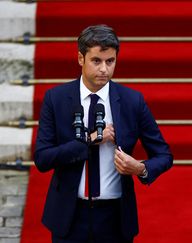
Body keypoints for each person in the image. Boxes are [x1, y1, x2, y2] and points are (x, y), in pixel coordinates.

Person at [34, 24, 173, 243]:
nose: (104, 70)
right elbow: (42, 159)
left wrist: (140, 168)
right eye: (96, 61)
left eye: (110, 61)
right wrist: (89, 140)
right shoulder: (56, 98)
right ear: (81, 58)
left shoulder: (132, 101)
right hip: (69, 217)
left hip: (115, 218)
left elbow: (164, 155)